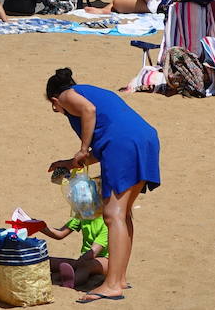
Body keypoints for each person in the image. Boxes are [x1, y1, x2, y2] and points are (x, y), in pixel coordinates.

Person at [44, 68, 159, 303]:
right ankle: (119, 277)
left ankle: (113, 284)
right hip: (144, 139)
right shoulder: (92, 92)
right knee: (123, 213)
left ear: (55, 100)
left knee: (112, 214)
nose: (57, 110)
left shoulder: (68, 96)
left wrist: (82, 148)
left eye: (54, 108)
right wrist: (71, 161)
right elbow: (106, 137)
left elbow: (89, 111)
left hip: (123, 145)